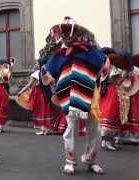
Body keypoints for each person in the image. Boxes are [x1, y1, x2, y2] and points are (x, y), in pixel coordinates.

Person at [41, 17, 106, 175]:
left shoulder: (89, 50)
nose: (66, 36)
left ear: (76, 33)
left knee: (96, 129)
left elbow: (103, 66)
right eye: (63, 33)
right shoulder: (60, 54)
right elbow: (48, 74)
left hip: (90, 95)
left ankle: (91, 160)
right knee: (71, 128)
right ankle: (69, 160)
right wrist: (44, 71)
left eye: (68, 32)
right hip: (69, 96)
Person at [0, 57, 14, 133]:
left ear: (1, 64)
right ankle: (1, 125)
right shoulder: (8, 72)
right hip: (5, 90)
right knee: (3, 106)